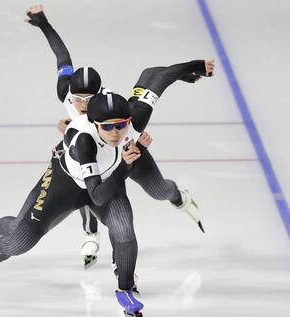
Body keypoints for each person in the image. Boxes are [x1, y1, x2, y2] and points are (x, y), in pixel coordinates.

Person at [0, 55, 213, 317]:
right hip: (68, 185)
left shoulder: (136, 118)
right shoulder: (83, 141)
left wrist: (195, 67)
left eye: (122, 125)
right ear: (94, 123)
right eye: (109, 128)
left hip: (109, 175)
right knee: (22, 240)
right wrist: (126, 164)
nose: (117, 133)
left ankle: (125, 289)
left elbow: (158, 78)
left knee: (125, 231)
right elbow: (96, 197)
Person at [25, 4, 211, 268]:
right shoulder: (66, 90)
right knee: (81, 180)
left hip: (127, 151)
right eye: (77, 99)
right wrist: (44, 24)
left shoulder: (119, 107)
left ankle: (178, 196)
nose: (82, 106)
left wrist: (188, 70)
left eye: (89, 100)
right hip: (95, 151)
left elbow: (154, 83)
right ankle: (91, 232)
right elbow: (63, 57)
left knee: (158, 191)